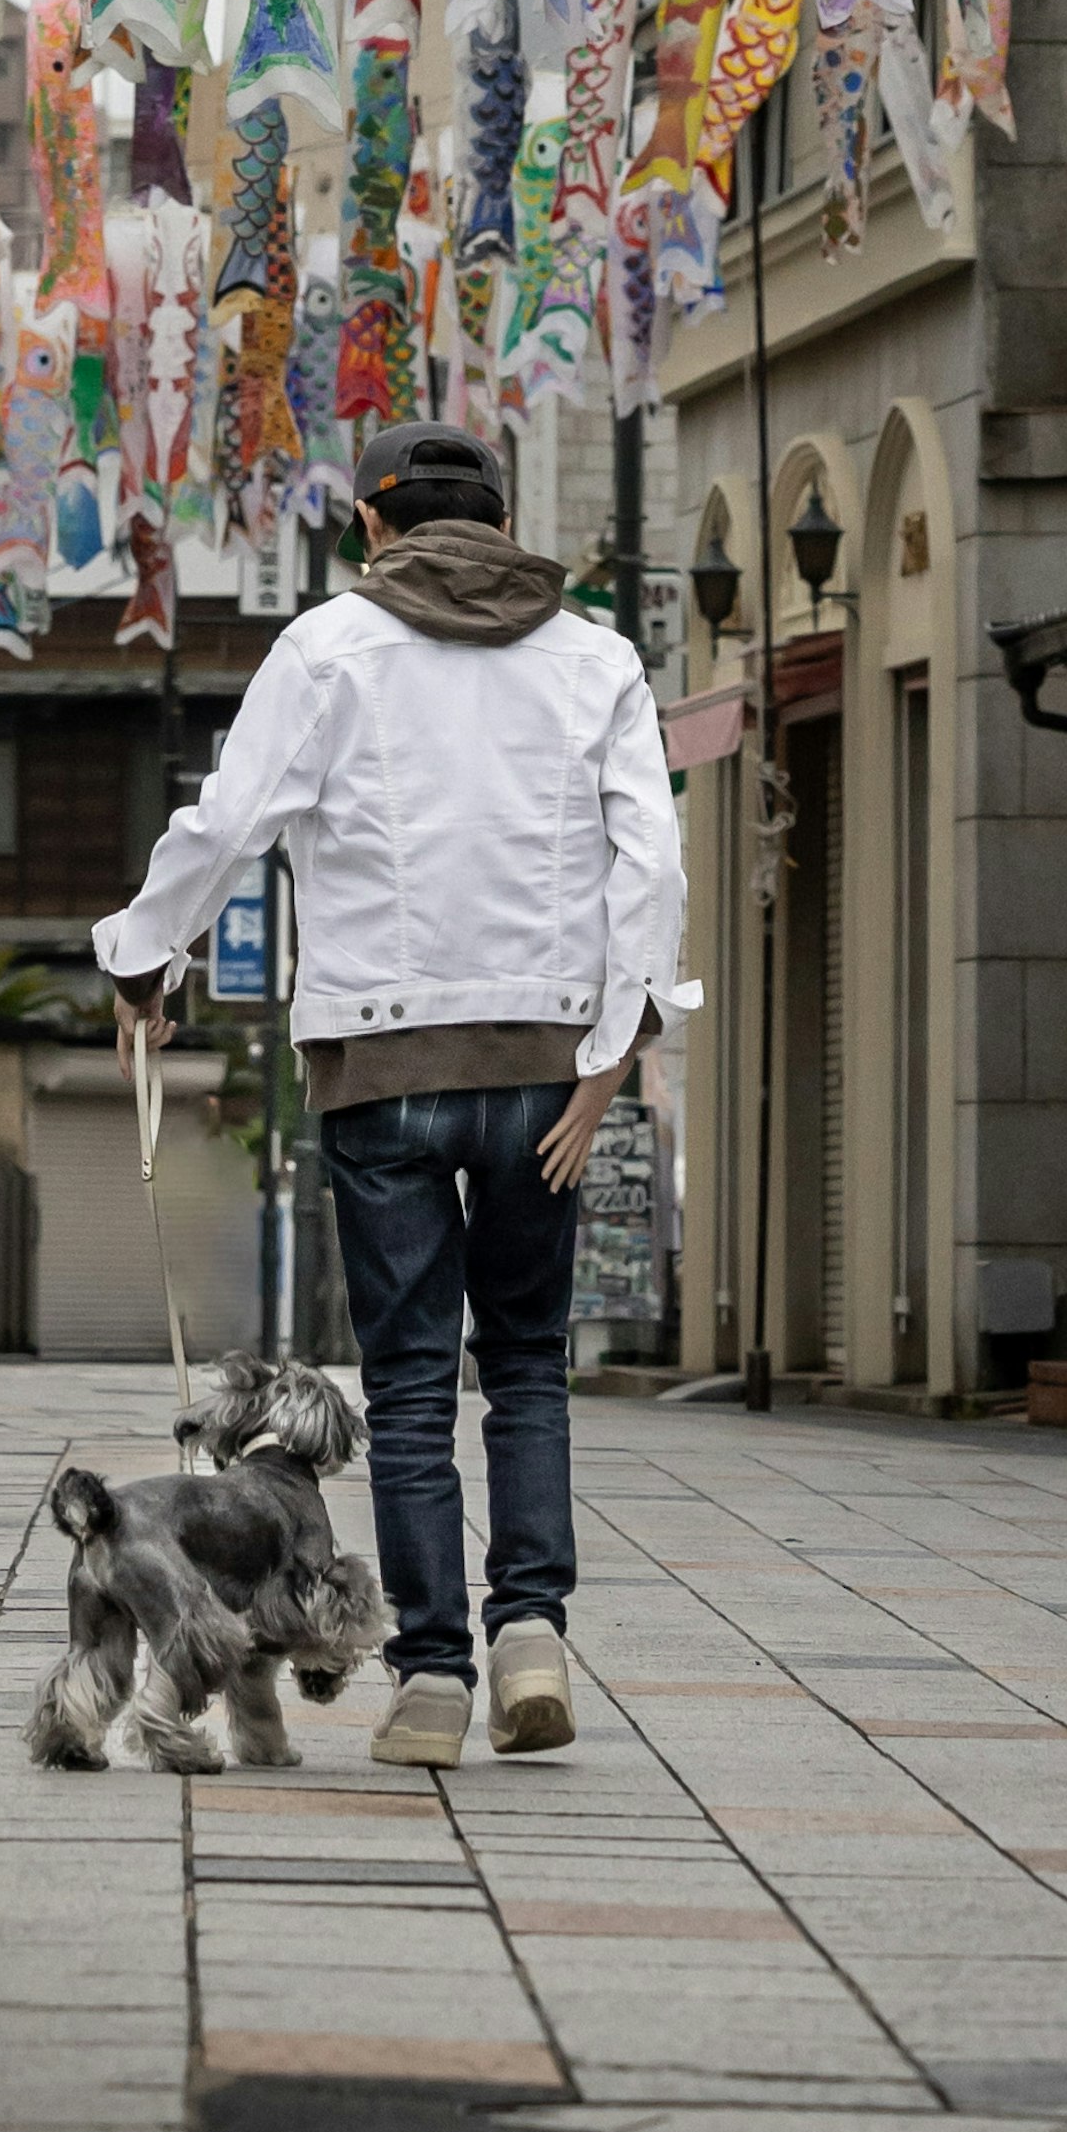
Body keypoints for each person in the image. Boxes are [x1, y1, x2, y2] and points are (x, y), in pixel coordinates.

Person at [93, 421, 688, 1768]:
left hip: (381, 1064)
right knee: (529, 1364)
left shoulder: (327, 648)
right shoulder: (597, 655)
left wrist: (141, 957)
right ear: (502, 519)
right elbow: (652, 862)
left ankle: (431, 1678)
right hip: (547, 1064)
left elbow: (224, 821)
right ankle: (533, 1627)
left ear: (376, 526)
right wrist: (608, 1056)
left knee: (414, 1384)